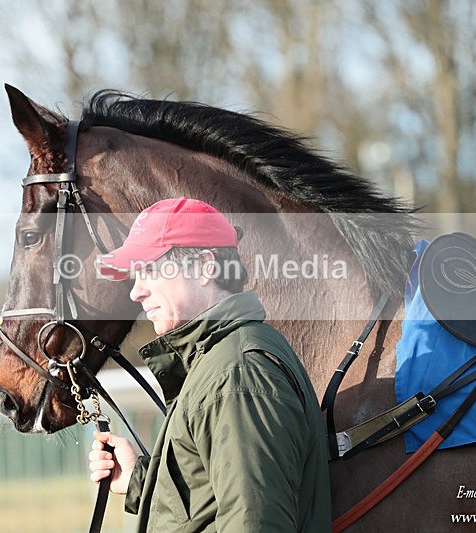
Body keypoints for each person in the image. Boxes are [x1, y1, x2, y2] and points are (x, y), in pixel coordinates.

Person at [89, 197, 330, 532]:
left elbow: (255, 523)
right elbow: (211, 501)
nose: (136, 292)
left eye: (148, 270)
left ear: (205, 267)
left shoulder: (238, 375)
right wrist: (137, 483)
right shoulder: (219, 362)